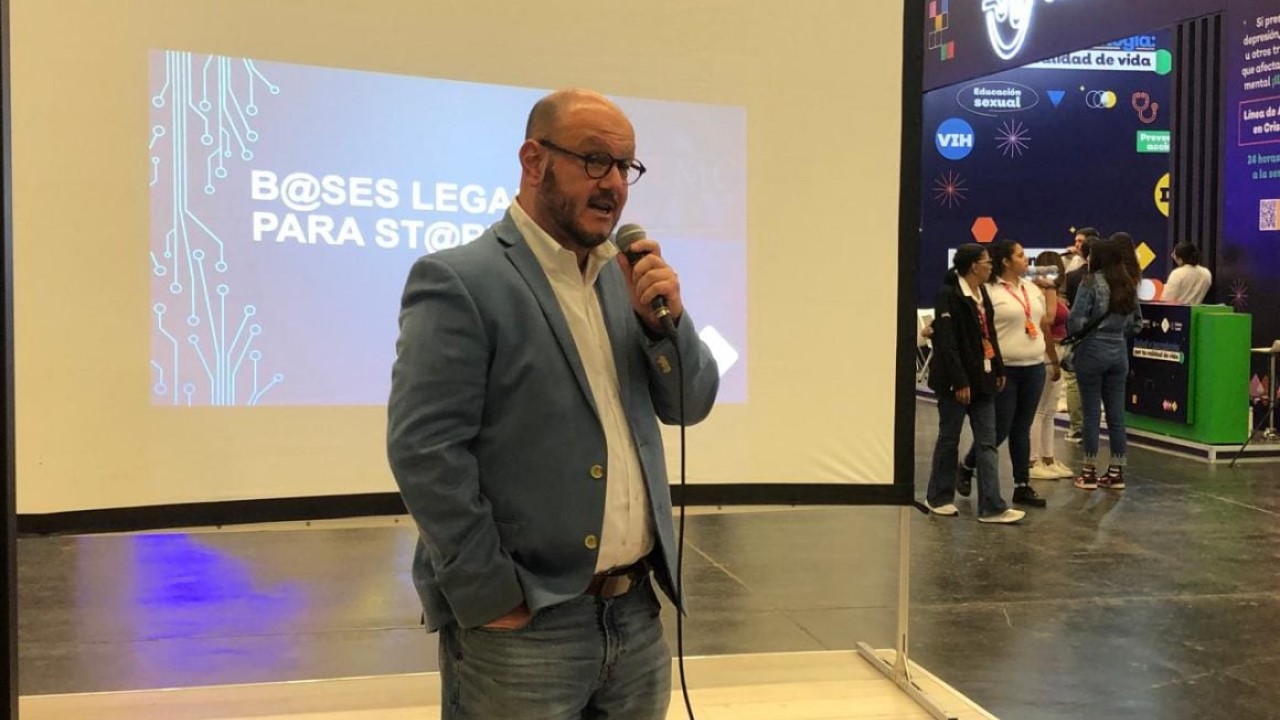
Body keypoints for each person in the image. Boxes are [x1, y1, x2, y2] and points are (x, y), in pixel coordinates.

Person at [386, 88, 721, 719]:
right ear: (534, 160)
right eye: (594, 160)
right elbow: (424, 450)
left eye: (625, 166)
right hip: (525, 629)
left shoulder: (627, 277)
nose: (613, 183)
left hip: (635, 613)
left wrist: (667, 326)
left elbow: (691, 403)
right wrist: (490, 595)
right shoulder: (461, 280)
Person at [925, 244, 1025, 524]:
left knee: (987, 442)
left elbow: (989, 334)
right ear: (973, 266)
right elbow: (948, 343)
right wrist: (959, 381)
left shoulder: (983, 294)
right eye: (986, 262)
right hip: (955, 383)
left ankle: (992, 506)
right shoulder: (949, 296)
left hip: (983, 381)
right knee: (949, 438)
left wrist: (999, 368)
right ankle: (938, 497)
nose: (991, 266)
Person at [958, 240, 1057, 509]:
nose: (1026, 260)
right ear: (1006, 261)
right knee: (1000, 427)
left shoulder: (1031, 288)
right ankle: (968, 464)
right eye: (1021, 255)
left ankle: (1022, 485)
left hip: (1034, 367)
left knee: (1022, 428)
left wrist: (1052, 359)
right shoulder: (989, 291)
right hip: (1005, 369)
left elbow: (1044, 323)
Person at [1067, 233, 1144, 490]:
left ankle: (1088, 472)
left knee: (1091, 414)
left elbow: (1076, 321)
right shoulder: (1128, 283)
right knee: (1116, 416)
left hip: (1091, 350)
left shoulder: (1090, 282)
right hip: (1119, 352)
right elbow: (1137, 324)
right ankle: (1116, 472)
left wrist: (1082, 333)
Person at [1029, 251, 1074, 480]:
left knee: (1049, 410)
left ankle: (1047, 457)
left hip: (1056, 349)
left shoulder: (1045, 291)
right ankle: (1032, 460)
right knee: (1040, 409)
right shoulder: (1045, 290)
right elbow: (1047, 320)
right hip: (1049, 350)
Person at [1061, 233, 1096, 445]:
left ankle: (1077, 428)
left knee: (1074, 380)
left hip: (1079, 336)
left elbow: (1067, 308)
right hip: (1104, 339)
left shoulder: (1074, 276)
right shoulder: (1116, 279)